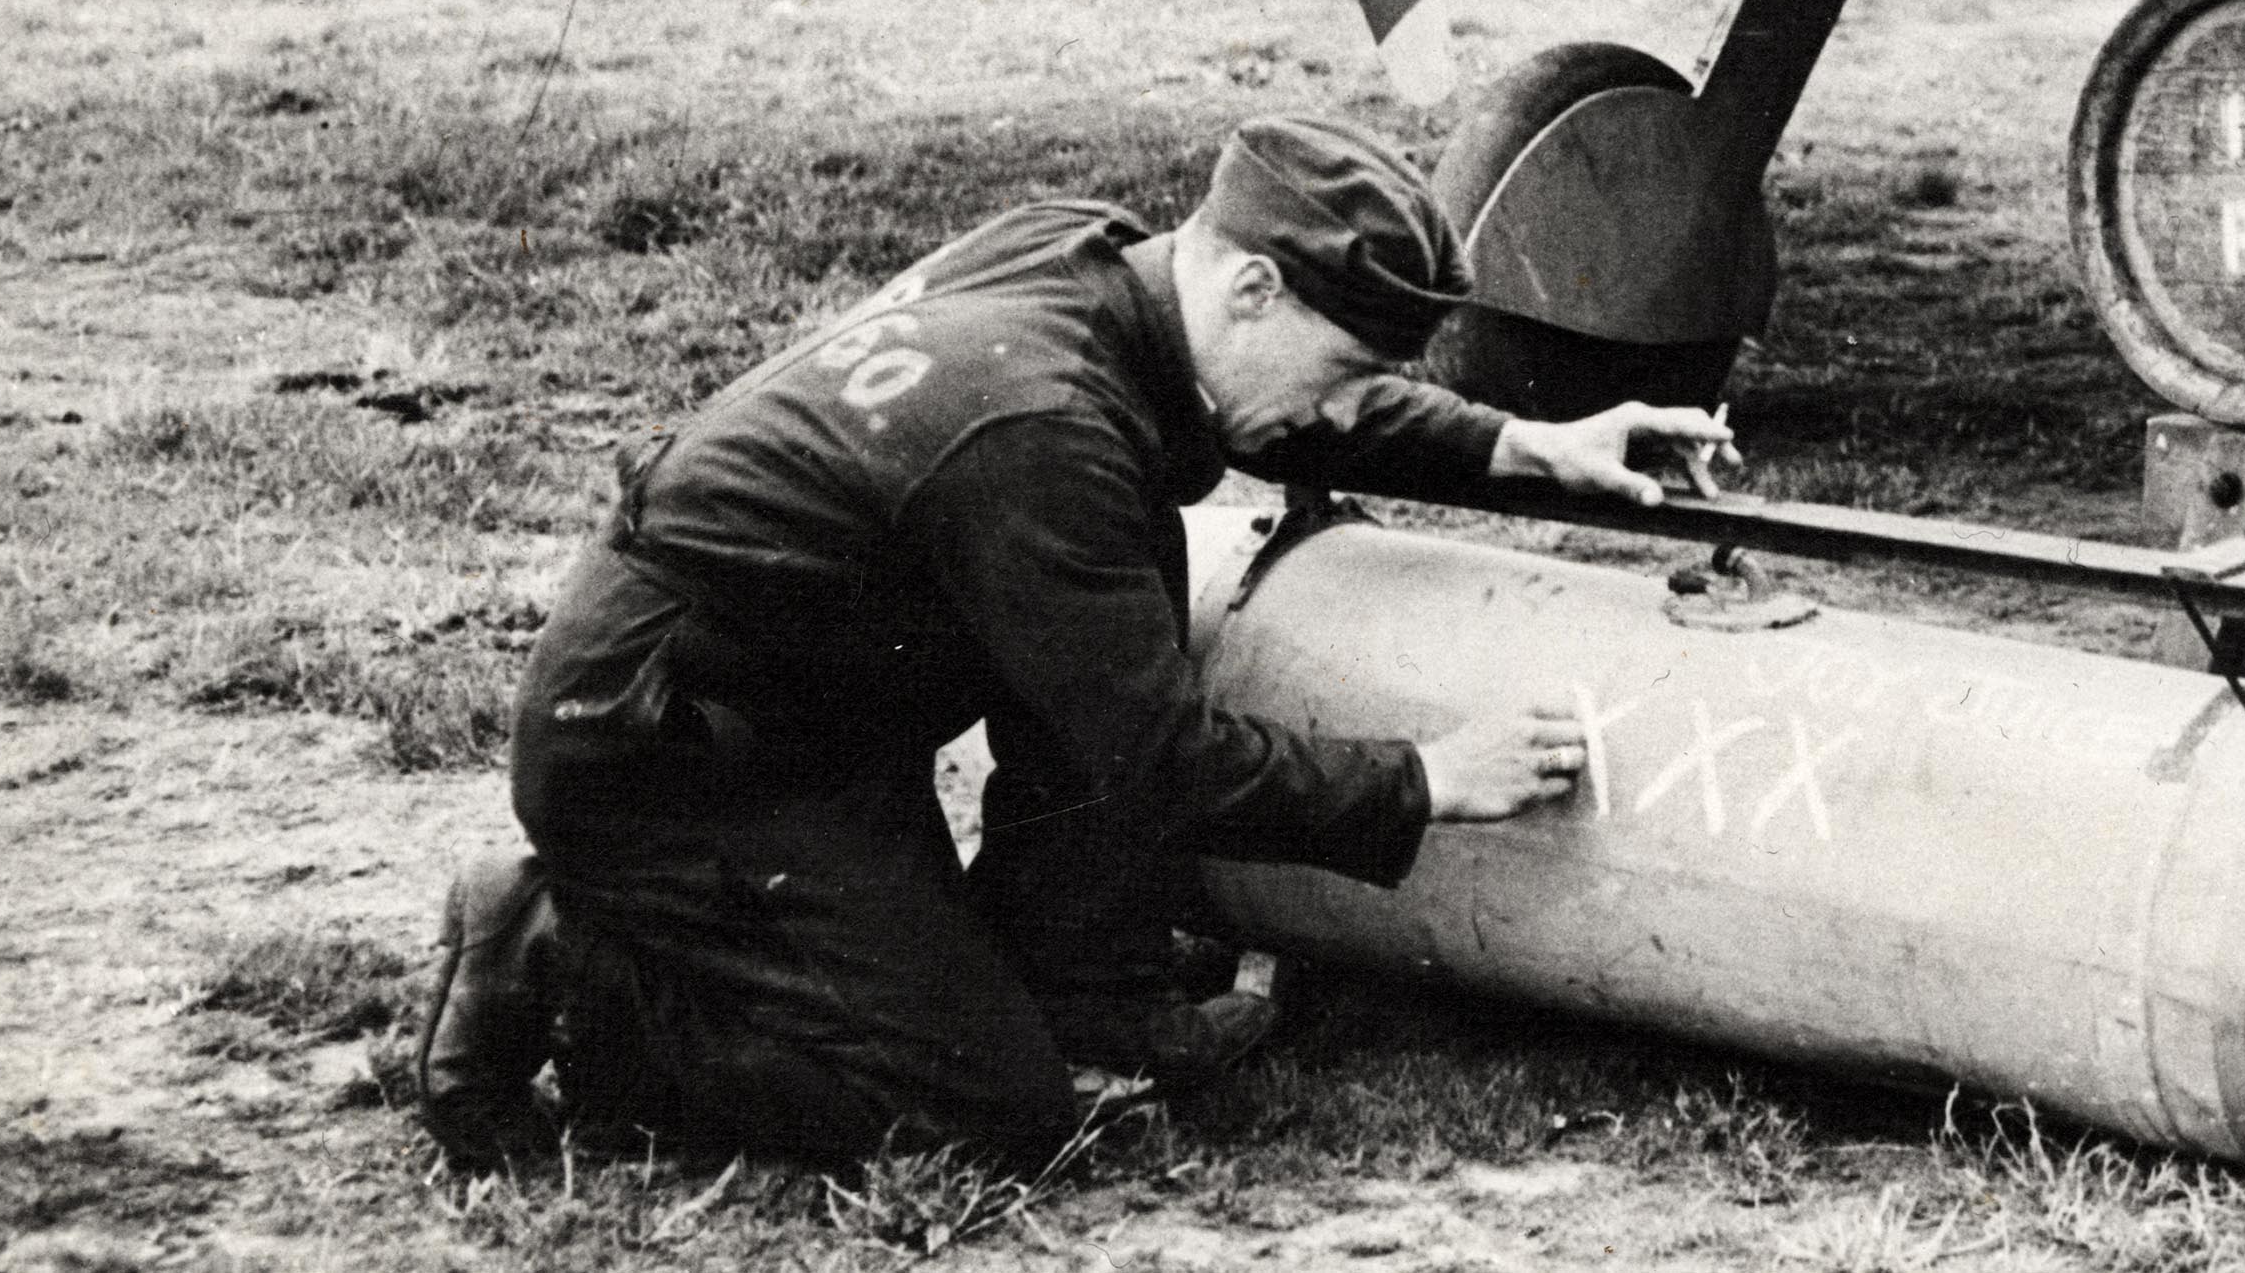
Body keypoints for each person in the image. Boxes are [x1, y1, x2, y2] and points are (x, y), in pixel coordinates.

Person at [412, 115, 1731, 1172]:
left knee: (1120, 570)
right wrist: (1428, 777)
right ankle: (562, 957)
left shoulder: (1095, 263)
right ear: (1252, 282)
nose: (1339, 408)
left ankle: (1081, 981)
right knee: (975, 1106)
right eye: (1338, 368)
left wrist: (1521, 444)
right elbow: (1161, 760)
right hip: (674, 757)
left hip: (800, 705)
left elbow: (1292, 407)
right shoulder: (1043, 427)